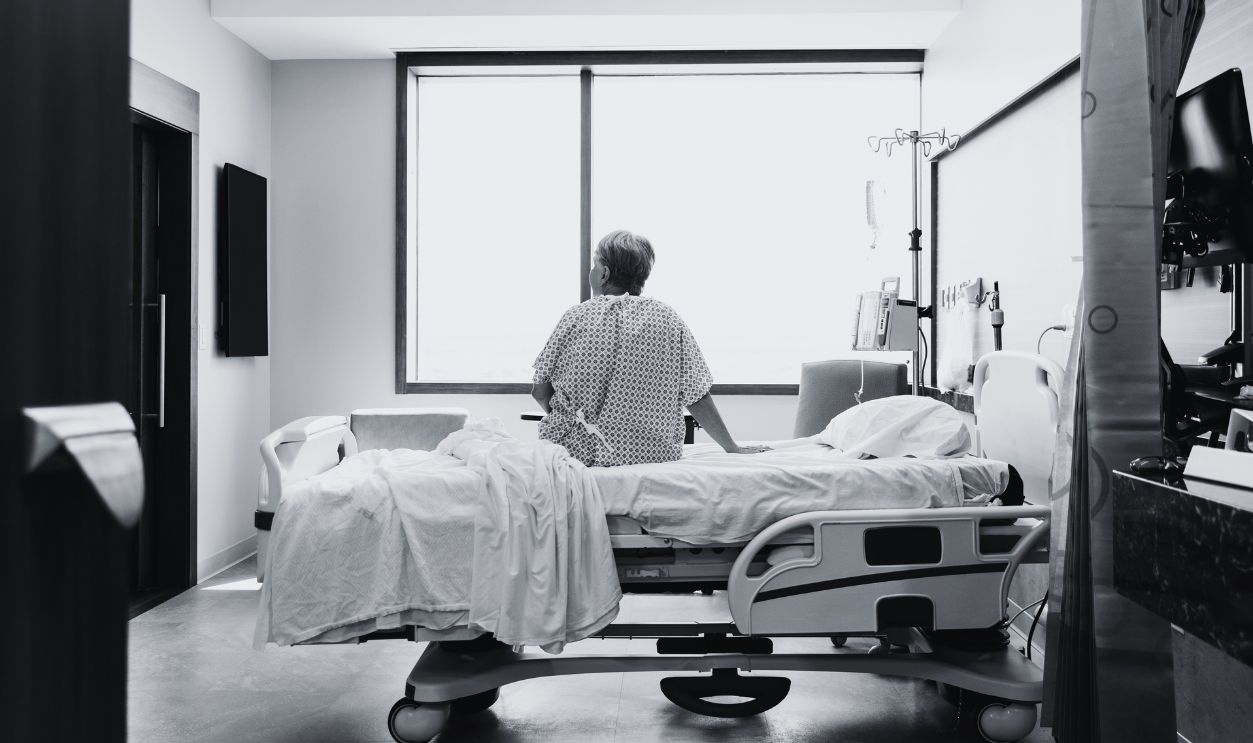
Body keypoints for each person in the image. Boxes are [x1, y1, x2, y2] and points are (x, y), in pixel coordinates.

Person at [531, 229, 770, 467]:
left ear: (604, 273)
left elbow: (540, 392)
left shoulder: (576, 317)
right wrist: (732, 448)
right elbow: (697, 396)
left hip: (579, 455)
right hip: (654, 456)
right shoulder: (668, 319)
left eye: (595, 264)